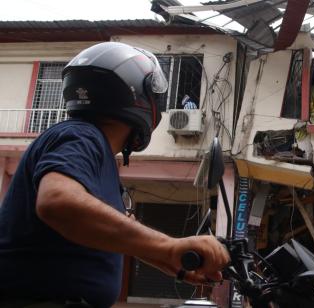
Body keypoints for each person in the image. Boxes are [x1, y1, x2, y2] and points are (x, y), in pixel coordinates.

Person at [0, 42, 229, 308]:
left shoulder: (88, 148)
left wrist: (172, 262)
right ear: (141, 98)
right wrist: (168, 246)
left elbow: (107, 233)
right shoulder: (82, 136)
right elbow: (57, 201)